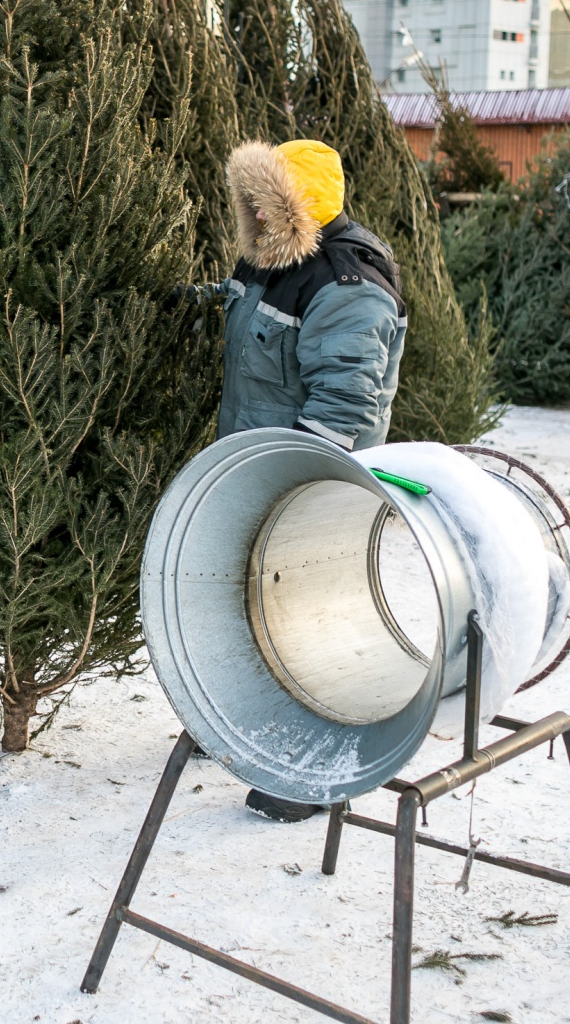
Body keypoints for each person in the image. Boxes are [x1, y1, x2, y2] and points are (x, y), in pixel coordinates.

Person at [205, 138, 406, 822]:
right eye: (249, 205)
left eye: (266, 204)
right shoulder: (271, 262)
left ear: (298, 206)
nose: (254, 217)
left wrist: (300, 500)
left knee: (304, 625)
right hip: (255, 471)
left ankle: (309, 768)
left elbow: (345, 403)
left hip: (313, 488)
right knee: (249, 605)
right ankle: (236, 721)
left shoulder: (347, 285)